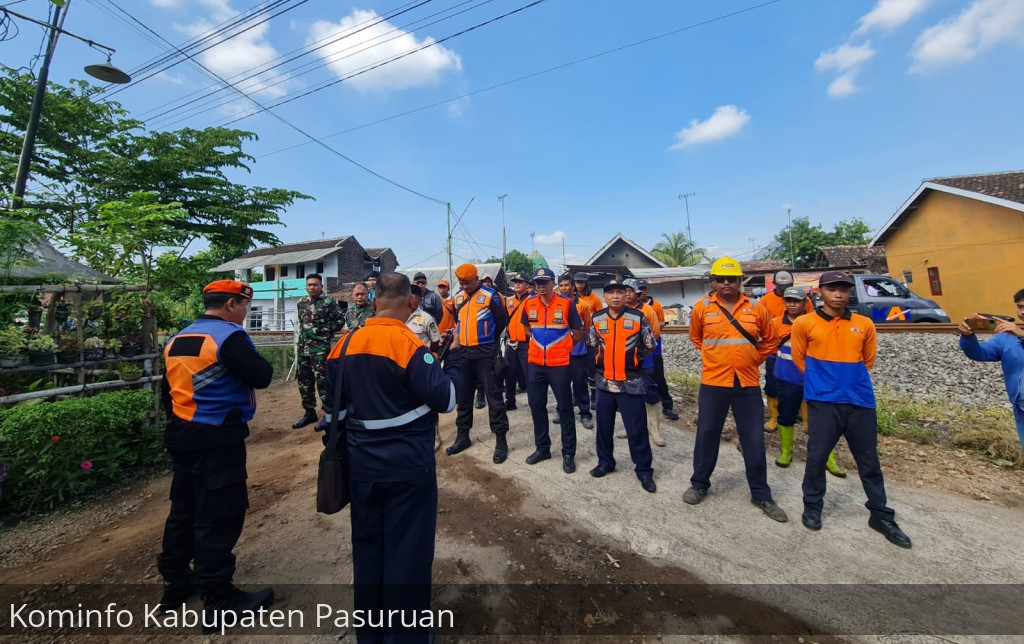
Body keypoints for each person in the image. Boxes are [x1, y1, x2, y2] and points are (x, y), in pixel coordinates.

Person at [324, 273, 461, 643]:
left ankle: (370, 635)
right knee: (407, 553)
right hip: (407, 469)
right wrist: (449, 362)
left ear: (373, 301)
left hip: (360, 469)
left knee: (368, 550)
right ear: (412, 302)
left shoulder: (343, 345)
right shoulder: (409, 344)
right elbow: (447, 400)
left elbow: (333, 415)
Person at [157, 280, 274, 623]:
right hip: (217, 436)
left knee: (184, 509)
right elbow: (262, 376)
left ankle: (176, 581)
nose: (246, 312)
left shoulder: (178, 337)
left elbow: (167, 390)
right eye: (245, 305)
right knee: (219, 513)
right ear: (231, 304)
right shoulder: (228, 337)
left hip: (181, 433)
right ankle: (219, 599)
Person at [791, 271, 911, 548]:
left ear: (850, 293)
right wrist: (823, 383)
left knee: (869, 462)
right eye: (832, 289)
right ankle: (813, 505)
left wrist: (846, 381)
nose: (838, 294)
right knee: (817, 457)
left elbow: (868, 360)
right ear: (819, 292)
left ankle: (880, 515)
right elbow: (799, 359)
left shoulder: (864, 324)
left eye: (844, 289)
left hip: (860, 401)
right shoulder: (804, 323)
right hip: (823, 401)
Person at [684, 257, 787, 522]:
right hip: (714, 382)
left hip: (747, 382)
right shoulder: (702, 308)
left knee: (753, 439)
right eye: (720, 279)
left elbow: (771, 339)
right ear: (712, 282)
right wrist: (713, 357)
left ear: (740, 281)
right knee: (707, 434)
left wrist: (753, 359)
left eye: (732, 279)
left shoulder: (756, 307)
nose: (726, 283)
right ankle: (699, 484)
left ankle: (761, 494)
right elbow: (696, 337)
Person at [586, 280, 658, 492]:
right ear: (605, 297)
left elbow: (650, 344)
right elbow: (592, 343)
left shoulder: (637, 317)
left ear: (627, 295)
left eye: (620, 292)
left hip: (631, 382)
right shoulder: (597, 318)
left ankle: (644, 470)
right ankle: (605, 463)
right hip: (604, 382)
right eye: (611, 293)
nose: (615, 296)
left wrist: (635, 358)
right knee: (604, 427)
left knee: (636, 429)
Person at [771, 287, 846, 476]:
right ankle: (786, 452)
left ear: (806, 303)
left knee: (823, 419)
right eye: (788, 300)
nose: (792, 304)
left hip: (815, 379)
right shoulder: (775, 323)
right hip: (787, 378)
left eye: (796, 301)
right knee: (786, 415)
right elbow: (769, 346)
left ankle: (828, 458)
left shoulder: (817, 322)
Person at [446, 263, 511, 463]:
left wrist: (488, 340)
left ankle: (501, 440)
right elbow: (457, 320)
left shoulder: (491, 296)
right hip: (465, 354)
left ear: (476, 279)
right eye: (461, 283)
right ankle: (463, 436)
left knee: (494, 398)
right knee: (464, 397)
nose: (464, 286)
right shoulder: (458, 297)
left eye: (467, 283)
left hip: (485, 354)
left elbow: (502, 321)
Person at [521, 268, 583, 473]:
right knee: (537, 406)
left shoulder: (566, 304)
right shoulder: (529, 303)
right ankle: (542, 449)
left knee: (565, 408)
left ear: (552, 283)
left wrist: (563, 348)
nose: (540, 286)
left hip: (559, 365)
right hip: (535, 364)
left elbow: (577, 333)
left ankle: (568, 453)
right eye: (537, 282)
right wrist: (537, 345)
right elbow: (526, 328)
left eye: (544, 282)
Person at [957, 290, 1024, 450]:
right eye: (1020, 307)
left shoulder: (1017, 334)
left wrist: (1022, 334)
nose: (1023, 312)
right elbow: (979, 353)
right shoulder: (1007, 338)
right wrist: (967, 337)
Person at [292, 274, 346, 430]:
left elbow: (339, 321)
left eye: (315, 284)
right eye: (309, 285)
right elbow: (301, 324)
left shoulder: (329, 302)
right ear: (306, 286)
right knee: (304, 381)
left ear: (321, 286)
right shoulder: (301, 303)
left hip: (320, 349)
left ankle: (327, 415)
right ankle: (309, 412)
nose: (312, 287)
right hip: (303, 348)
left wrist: (322, 332)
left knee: (323, 381)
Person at [759, 270, 811, 431]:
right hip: (776, 354)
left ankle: (807, 420)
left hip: (802, 355)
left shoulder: (807, 303)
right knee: (773, 386)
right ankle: (774, 417)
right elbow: (763, 327)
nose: (792, 304)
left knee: (805, 386)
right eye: (788, 301)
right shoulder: (766, 301)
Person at [622, 279, 666, 447]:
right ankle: (630, 427)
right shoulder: (619, 310)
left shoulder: (648, 311)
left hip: (645, 359)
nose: (627, 294)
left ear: (637, 293)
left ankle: (654, 430)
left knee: (650, 391)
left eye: (630, 291)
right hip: (625, 360)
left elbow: (655, 333)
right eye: (624, 291)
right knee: (628, 392)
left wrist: (639, 350)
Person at [637, 280, 679, 422]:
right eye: (639, 289)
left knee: (658, 375)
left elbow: (659, 326)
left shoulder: (655, 306)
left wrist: (648, 342)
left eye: (644, 288)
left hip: (654, 346)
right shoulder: (628, 307)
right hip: (637, 347)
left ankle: (667, 406)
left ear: (647, 290)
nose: (642, 291)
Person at [557, 273, 594, 430]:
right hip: (560, 352)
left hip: (578, 351)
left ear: (573, 287)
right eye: (561, 285)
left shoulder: (583, 305)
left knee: (580, 383)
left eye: (567, 285)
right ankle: (562, 412)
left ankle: (585, 414)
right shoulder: (555, 304)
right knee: (561, 384)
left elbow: (587, 327)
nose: (564, 288)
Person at [503, 272, 531, 410]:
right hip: (511, 342)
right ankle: (510, 401)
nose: (517, 284)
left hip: (526, 343)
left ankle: (533, 402)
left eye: (520, 282)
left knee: (529, 375)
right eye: (515, 282)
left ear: (527, 285)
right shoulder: (509, 301)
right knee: (509, 373)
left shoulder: (532, 301)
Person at [574, 272, 602, 404]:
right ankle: (577, 395)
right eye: (577, 282)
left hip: (590, 337)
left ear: (586, 283)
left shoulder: (594, 299)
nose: (579, 285)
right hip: (575, 338)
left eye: (582, 282)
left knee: (591, 369)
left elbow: (600, 319)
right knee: (577, 370)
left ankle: (594, 397)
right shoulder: (571, 299)